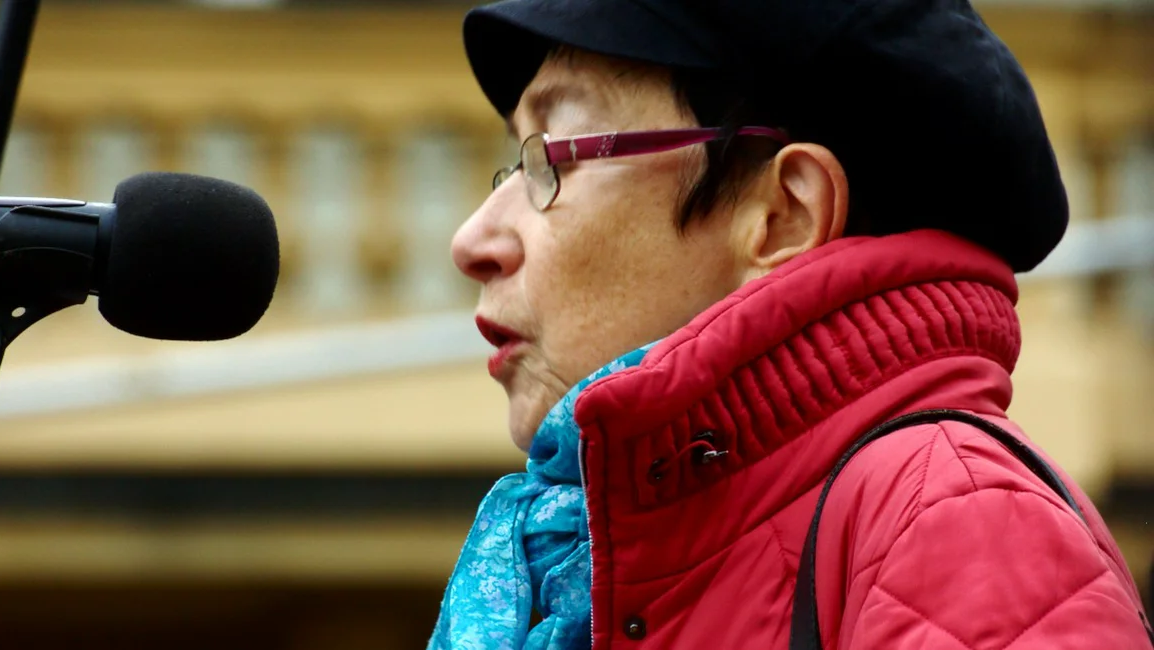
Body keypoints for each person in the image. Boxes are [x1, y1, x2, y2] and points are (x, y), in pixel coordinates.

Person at [429, 0, 1154, 649]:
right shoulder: (587, 564)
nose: (474, 241)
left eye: (553, 158)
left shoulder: (958, 521)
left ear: (783, 217)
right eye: (514, 165)